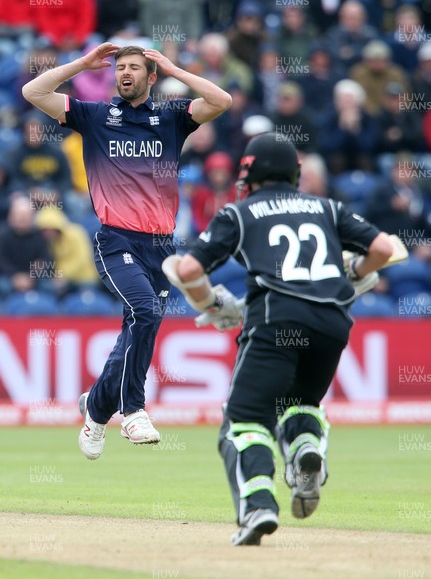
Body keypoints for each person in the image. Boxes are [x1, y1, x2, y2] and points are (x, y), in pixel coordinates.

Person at [162, 132, 393, 545]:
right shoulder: (327, 207)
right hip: (333, 323)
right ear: (295, 172)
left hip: (277, 320)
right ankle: (307, 449)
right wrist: (353, 274)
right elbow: (382, 248)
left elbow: (187, 269)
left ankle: (258, 506)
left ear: (249, 174)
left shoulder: (239, 212)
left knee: (244, 421)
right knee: (299, 404)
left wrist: (214, 305)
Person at [22, 42, 232, 459]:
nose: (126, 74)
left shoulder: (170, 118)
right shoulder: (97, 116)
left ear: (150, 78)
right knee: (147, 312)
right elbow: (34, 93)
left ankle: (95, 410)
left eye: (135, 68)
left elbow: (220, 100)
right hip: (115, 239)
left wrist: (175, 68)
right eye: (121, 68)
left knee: (138, 328)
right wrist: (83, 63)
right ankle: (133, 411)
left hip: (161, 246)